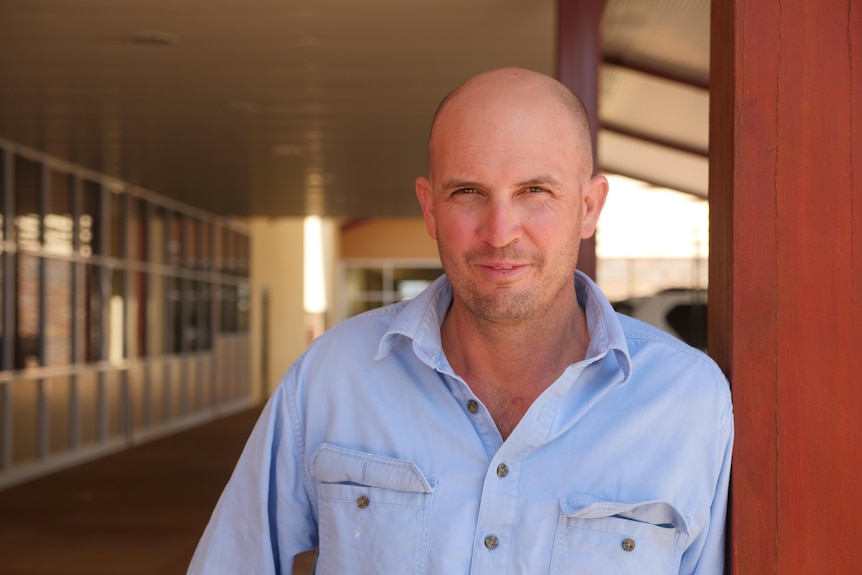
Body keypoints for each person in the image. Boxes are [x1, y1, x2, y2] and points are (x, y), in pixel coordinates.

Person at [188, 67, 733, 574]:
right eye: (468, 192)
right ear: (429, 207)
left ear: (589, 207)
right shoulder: (333, 377)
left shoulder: (688, 402)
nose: (500, 231)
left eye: (534, 192)